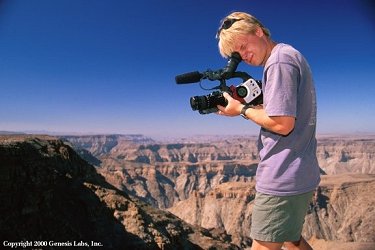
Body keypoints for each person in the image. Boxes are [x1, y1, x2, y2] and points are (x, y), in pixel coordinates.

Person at [215, 11, 321, 250]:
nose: (244, 55)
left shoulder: (278, 61)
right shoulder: (288, 54)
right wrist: (254, 106)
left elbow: (283, 124)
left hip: (282, 175)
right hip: (299, 171)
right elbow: (283, 115)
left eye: (243, 46)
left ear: (258, 32)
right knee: (291, 240)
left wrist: (241, 110)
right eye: (238, 54)